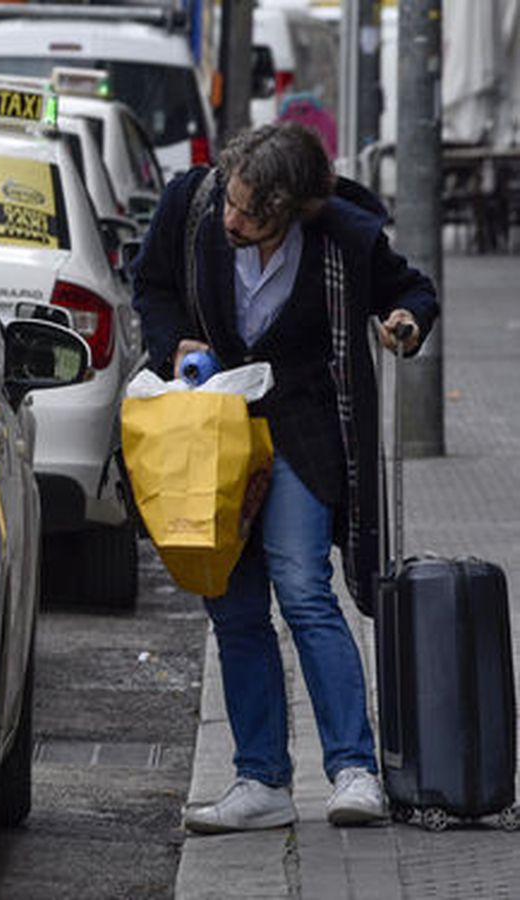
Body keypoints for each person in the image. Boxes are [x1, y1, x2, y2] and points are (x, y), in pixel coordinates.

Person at [131, 122, 439, 833]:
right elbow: (149, 285)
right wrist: (175, 339)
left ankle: (353, 770)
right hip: (212, 431)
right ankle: (261, 781)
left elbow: (410, 291)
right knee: (233, 604)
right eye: (231, 204)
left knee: (302, 588)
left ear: (293, 209)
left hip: (300, 432)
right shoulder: (193, 203)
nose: (232, 220)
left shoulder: (342, 236)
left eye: (250, 214)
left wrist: (404, 322)